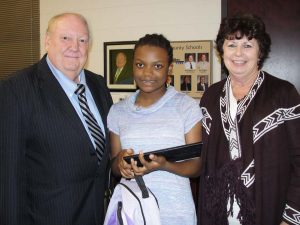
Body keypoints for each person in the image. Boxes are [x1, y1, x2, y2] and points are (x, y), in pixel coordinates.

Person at [0, 13, 113, 225]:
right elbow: (8, 179)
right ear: (47, 41)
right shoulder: (16, 90)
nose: (75, 47)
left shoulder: (99, 86)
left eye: (82, 40)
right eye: (65, 38)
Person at [198, 13, 300, 225]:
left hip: (270, 208)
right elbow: (203, 157)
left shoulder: (283, 93)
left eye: (247, 45)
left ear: (260, 51)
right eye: (232, 44)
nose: (238, 53)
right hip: (217, 211)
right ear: (222, 50)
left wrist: (290, 218)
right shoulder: (210, 96)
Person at [107, 33, 202, 225]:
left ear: (169, 68)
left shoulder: (186, 107)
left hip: (176, 214)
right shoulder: (118, 111)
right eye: (140, 65)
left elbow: (197, 166)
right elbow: (114, 167)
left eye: (157, 66)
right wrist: (121, 163)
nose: (147, 74)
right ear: (132, 66)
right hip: (132, 214)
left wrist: (165, 165)